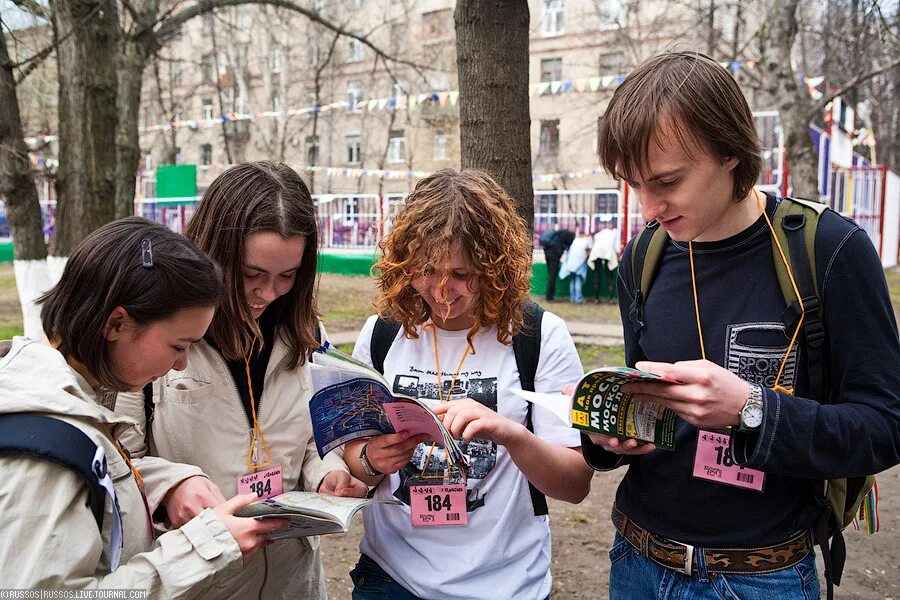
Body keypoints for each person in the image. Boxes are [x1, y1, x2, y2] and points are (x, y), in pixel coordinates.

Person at [583, 51, 900, 599]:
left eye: (666, 181)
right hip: (636, 559)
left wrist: (752, 410)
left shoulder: (828, 250)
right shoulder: (642, 257)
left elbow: (884, 427)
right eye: (632, 183)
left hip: (762, 574)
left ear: (731, 150)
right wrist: (608, 437)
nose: (649, 205)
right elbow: (646, 405)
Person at [117, 162, 367, 599]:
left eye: (287, 276)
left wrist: (328, 474)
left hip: (293, 583)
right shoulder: (160, 336)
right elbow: (118, 461)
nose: (268, 294)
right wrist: (171, 485)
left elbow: (313, 439)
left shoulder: (307, 335)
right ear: (215, 253)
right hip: (198, 581)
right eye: (252, 275)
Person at [343, 168, 594, 600]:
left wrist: (510, 434)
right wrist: (369, 460)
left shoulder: (537, 335)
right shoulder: (383, 333)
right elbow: (351, 458)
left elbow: (575, 484)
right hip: (391, 578)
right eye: (427, 270)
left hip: (507, 584)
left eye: (462, 273)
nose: (443, 291)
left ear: (494, 266)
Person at [0, 217, 284, 593]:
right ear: (117, 324)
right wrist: (205, 548)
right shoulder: (43, 451)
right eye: (178, 346)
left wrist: (168, 482)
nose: (181, 364)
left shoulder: (61, 402)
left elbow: (93, 487)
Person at [540, 226, 575, 301]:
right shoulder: (568, 236)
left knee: (551, 275)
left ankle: (548, 294)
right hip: (554, 255)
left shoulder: (558, 234)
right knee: (552, 275)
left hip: (547, 253)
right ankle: (549, 296)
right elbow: (568, 247)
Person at [588, 224, 620, 302]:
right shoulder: (614, 233)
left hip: (596, 252)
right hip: (608, 252)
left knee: (596, 275)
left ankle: (596, 298)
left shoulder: (598, 234)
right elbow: (617, 248)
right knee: (609, 275)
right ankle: (611, 299)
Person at [559, 230, 593, 304]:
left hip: (571, 263)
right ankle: (578, 299)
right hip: (580, 262)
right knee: (578, 280)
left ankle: (572, 298)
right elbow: (590, 251)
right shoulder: (587, 241)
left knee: (572, 280)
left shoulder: (576, 240)